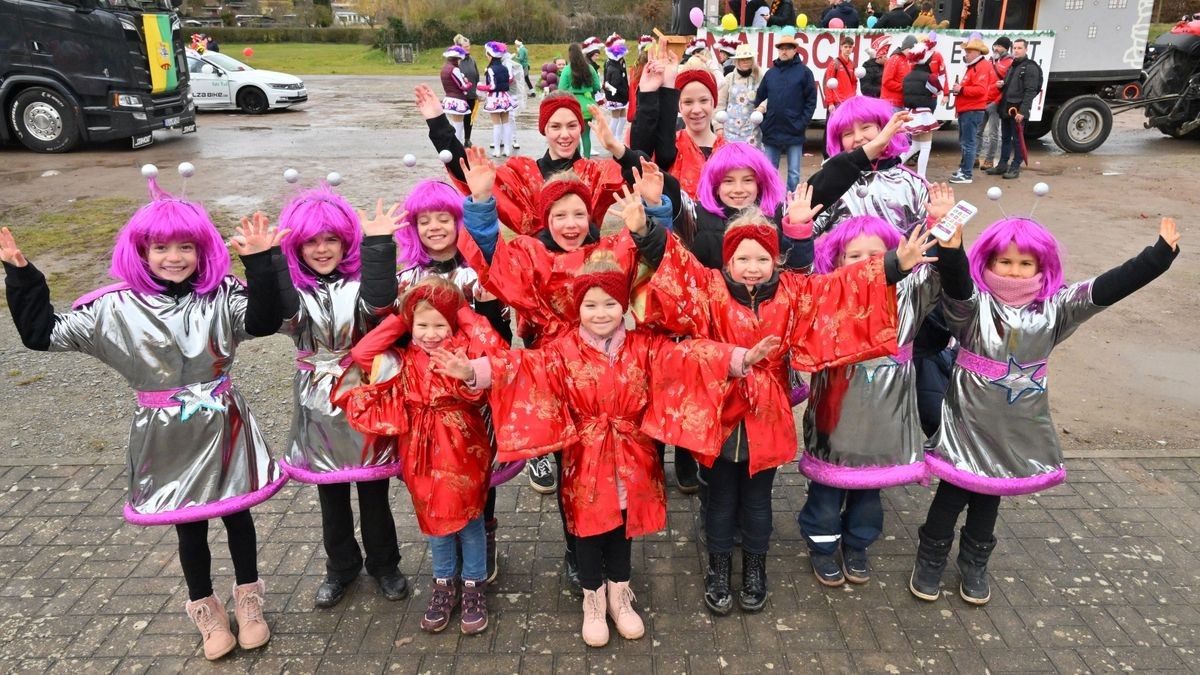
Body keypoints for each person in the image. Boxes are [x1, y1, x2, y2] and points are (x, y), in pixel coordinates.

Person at [0, 168, 287, 661]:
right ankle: (206, 609)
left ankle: (250, 599)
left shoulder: (220, 295)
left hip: (223, 422)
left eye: (185, 248)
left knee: (238, 513)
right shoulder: (114, 309)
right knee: (188, 522)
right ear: (141, 252)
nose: (173, 259)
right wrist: (23, 274)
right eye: (160, 249)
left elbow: (264, 320)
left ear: (203, 252)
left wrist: (260, 262)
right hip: (164, 433)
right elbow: (42, 334)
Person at [631, 185, 932, 616]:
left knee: (757, 500)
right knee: (717, 500)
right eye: (742, 259)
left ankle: (755, 569)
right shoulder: (709, 288)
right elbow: (677, 267)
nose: (752, 268)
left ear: (776, 259)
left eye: (761, 258)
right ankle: (718, 570)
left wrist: (892, 265)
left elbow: (841, 289)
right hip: (717, 410)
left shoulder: (796, 292)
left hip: (767, 412)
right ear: (727, 261)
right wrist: (645, 229)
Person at [911, 215, 1181, 606]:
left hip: (1016, 429)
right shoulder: (973, 307)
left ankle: (974, 562)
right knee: (953, 491)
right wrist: (952, 249)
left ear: (1042, 266)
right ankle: (930, 559)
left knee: (991, 495)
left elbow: (1105, 288)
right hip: (967, 420)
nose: (1015, 271)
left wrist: (1157, 258)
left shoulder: (1055, 309)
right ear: (987, 262)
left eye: (1026, 264)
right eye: (1005, 262)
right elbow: (955, 285)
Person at [455, 138, 651, 595]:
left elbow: (652, 257)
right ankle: (576, 548)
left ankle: (616, 559)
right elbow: (490, 260)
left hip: (606, 373)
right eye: (559, 215)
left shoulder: (610, 252)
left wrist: (653, 214)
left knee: (614, 464)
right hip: (556, 371)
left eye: (578, 214)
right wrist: (482, 202)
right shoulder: (529, 253)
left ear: (592, 217)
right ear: (545, 219)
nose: (569, 223)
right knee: (571, 466)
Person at [799, 185, 959, 587]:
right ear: (836, 260)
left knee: (871, 491)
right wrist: (798, 228)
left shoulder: (911, 293)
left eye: (878, 256)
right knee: (826, 489)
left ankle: (857, 544)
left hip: (887, 417)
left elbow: (942, 270)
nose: (868, 265)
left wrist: (943, 224)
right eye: (855, 257)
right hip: (835, 416)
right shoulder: (828, 293)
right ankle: (822, 545)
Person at [334, 277, 504, 635]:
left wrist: (463, 316)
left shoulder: (464, 349)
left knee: (470, 518)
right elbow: (362, 354)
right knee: (433, 518)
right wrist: (401, 314)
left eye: (439, 324)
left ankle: (473, 585)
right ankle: (444, 584)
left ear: (453, 322)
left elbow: (496, 350)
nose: (430, 334)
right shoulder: (401, 357)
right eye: (421, 325)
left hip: (464, 446)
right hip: (420, 449)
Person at [274, 184, 410, 610]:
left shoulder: (359, 286)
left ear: (346, 241)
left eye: (331, 239)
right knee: (330, 497)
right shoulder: (297, 293)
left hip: (362, 395)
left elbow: (380, 300)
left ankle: (385, 565)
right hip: (317, 405)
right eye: (311, 240)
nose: (321, 249)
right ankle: (341, 567)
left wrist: (379, 245)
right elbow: (277, 312)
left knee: (373, 492)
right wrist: (268, 262)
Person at [393, 179, 514, 584]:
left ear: (457, 221)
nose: (434, 227)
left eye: (443, 218)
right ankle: (449, 558)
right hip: (428, 397)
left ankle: (485, 536)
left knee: (481, 469)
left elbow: (496, 329)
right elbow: (391, 335)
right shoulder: (406, 278)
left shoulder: (475, 271)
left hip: (473, 390)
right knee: (437, 479)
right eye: (424, 220)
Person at [815, 97, 927, 238]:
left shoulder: (912, 183)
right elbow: (801, 235)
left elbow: (925, 242)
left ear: (884, 128)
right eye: (848, 133)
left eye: (866, 127)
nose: (858, 138)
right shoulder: (831, 183)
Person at [754, 30, 816, 192]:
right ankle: (771, 201)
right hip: (772, 130)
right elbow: (759, 98)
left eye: (788, 48)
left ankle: (791, 203)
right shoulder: (770, 74)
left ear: (795, 50)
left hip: (794, 130)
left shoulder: (804, 73)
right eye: (781, 48)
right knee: (769, 172)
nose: (784, 51)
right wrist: (765, 122)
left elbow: (811, 101)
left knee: (794, 174)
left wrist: (802, 123)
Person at [987, 38, 1042, 180]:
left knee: (1017, 140)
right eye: (1014, 48)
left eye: (1019, 48)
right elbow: (1010, 85)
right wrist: (1002, 84)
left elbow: (1031, 91)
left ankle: (1015, 166)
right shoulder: (1013, 65)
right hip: (1006, 107)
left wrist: (1023, 112)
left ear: (1026, 49)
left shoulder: (1030, 67)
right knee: (1005, 138)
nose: (1016, 50)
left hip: (1017, 110)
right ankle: (1002, 164)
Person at [949, 38, 997, 184]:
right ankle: (964, 169)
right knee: (966, 142)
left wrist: (961, 89)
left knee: (968, 142)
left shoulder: (981, 67)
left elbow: (980, 90)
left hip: (972, 110)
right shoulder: (975, 66)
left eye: (969, 51)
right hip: (968, 110)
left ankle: (966, 174)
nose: (966, 54)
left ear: (977, 52)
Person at [899, 40, 943, 179]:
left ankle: (894, 164)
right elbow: (938, 90)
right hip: (924, 113)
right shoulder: (929, 77)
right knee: (925, 146)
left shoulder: (907, 77)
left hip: (912, 112)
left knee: (916, 146)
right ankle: (921, 176)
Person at [559, 43, 606, 158]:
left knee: (575, 135)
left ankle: (577, 161)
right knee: (586, 136)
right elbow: (596, 86)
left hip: (573, 105)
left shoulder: (567, 70)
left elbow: (561, 89)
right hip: (588, 105)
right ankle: (587, 160)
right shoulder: (589, 68)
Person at [977, 37, 1013, 172]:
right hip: (983, 101)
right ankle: (975, 157)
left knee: (993, 133)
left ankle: (989, 160)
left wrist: (996, 102)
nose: (996, 48)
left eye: (999, 46)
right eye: (995, 45)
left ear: (1005, 48)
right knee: (978, 131)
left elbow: (1009, 87)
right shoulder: (990, 60)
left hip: (995, 103)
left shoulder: (1010, 63)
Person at [718, 43, 763, 148]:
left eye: (748, 59)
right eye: (742, 59)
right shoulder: (729, 78)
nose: (746, 62)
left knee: (751, 162)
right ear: (737, 61)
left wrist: (762, 107)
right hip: (730, 131)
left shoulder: (758, 77)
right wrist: (718, 127)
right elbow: (720, 104)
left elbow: (767, 97)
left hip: (752, 131)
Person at [479, 41, 518, 158]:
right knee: (506, 124)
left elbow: (492, 87)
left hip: (494, 99)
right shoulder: (504, 68)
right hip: (505, 98)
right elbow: (510, 79)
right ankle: (507, 149)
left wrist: (479, 86)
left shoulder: (491, 70)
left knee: (496, 125)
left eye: (487, 54)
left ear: (490, 55)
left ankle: (497, 150)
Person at [439, 45, 474, 144]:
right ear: (456, 59)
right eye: (459, 60)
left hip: (449, 98)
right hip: (457, 100)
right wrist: (469, 83)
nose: (460, 62)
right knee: (458, 125)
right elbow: (462, 86)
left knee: (454, 123)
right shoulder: (454, 69)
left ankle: (452, 144)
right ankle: (456, 146)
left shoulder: (444, 68)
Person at [602, 34, 631, 148]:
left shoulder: (619, 61)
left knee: (623, 115)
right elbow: (609, 83)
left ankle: (618, 137)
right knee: (615, 117)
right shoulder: (611, 65)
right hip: (615, 95)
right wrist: (613, 90)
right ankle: (609, 139)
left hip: (622, 93)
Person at [453, 35, 481, 148]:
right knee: (460, 119)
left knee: (470, 119)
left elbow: (477, 76)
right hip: (461, 95)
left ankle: (467, 139)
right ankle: (457, 140)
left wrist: (477, 92)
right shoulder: (457, 61)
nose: (468, 48)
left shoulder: (472, 60)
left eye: (469, 46)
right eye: (465, 46)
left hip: (472, 94)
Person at [823, 36, 860, 115]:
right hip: (837, 103)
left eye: (850, 47)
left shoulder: (852, 64)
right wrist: (830, 103)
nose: (848, 49)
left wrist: (852, 96)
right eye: (845, 47)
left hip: (848, 102)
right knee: (834, 127)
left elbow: (854, 82)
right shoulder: (834, 63)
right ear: (841, 47)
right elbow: (828, 84)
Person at [881, 34, 916, 111]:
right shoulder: (894, 59)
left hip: (901, 103)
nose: (913, 53)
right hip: (891, 103)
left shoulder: (908, 61)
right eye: (912, 50)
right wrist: (904, 87)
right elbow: (887, 81)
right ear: (907, 48)